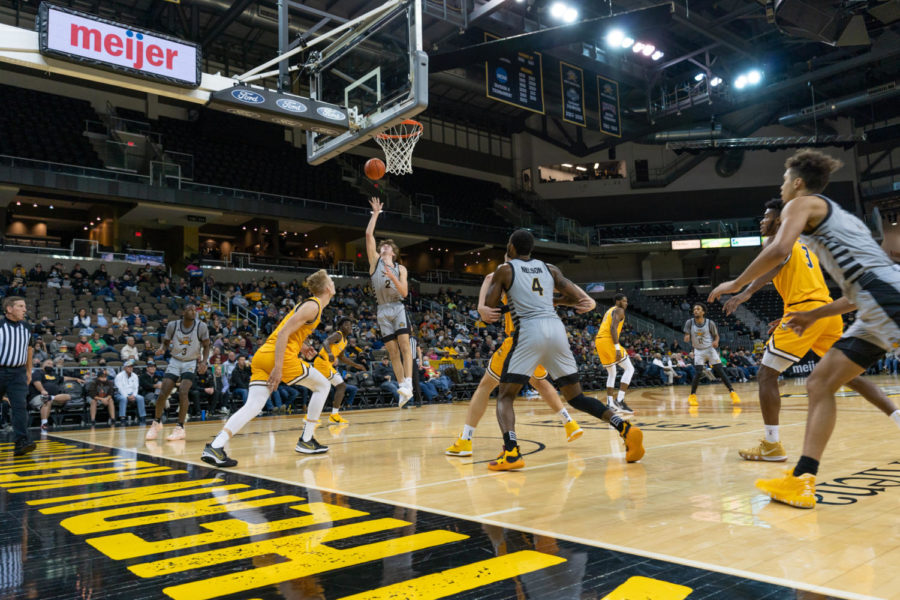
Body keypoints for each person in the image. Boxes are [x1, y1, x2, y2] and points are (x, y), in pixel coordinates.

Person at [709, 149, 900, 508]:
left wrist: (737, 284)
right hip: (872, 303)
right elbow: (859, 292)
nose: (782, 188)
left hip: (883, 298)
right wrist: (814, 316)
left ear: (797, 182)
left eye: (784, 180)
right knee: (821, 381)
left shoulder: (800, 204)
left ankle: (782, 456)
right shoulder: (829, 221)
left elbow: (779, 251)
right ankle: (803, 480)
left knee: (800, 379)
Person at [722, 198, 900, 462]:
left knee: (766, 375)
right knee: (849, 376)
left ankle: (772, 446)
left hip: (806, 311)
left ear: (780, 220)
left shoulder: (775, 241)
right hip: (826, 313)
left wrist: (743, 292)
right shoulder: (802, 243)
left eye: (766, 216)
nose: (762, 221)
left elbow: (775, 266)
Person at [482, 230, 644, 470]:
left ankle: (512, 453)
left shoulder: (505, 270)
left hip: (528, 330)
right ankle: (624, 428)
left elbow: (489, 308)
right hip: (556, 331)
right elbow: (578, 299)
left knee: (505, 396)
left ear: (512, 248)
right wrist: (550, 301)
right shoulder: (550, 269)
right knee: (576, 397)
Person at [202, 270, 337, 467]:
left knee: (253, 406)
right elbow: (282, 333)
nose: (334, 284)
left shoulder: (310, 306)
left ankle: (215, 446)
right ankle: (306, 440)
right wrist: (278, 367)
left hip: (262, 356)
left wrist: (302, 346)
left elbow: (289, 333)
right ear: (327, 288)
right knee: (323, 386)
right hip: (277, 357)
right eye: (332, 281)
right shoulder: (313, 306)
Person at [445, 269, 583, 457]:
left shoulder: (509, 272)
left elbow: (487, 277)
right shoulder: (539, 275)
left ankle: (466, 440)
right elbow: (566, 290)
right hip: (544, 337)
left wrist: (480, 306)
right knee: (539, 382)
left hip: (519, 339)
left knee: (486, 386)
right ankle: (569, 422)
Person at [366, 197, 414, 407]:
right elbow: (368, 235)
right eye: (381, 245)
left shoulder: (400, 268)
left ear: (393, 252)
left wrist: (392, 276)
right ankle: (402, 386)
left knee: (404, 346)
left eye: (386, 246)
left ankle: (409, 383)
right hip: (382, 309)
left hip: (397, 307)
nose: (383, 246)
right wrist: (376, 214)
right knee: (392, 351)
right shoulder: (374, 263)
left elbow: (403, 293)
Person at [145, 304, 210, 442]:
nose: (192, 311)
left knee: (183, 391)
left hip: (191, 362)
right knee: (163, 392)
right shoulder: (173, 325)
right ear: (183, 312)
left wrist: (204, 362)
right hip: (175, 361)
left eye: (194, 310)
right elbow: (166, 342)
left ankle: (180, 428)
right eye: (189, 309)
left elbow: (206, 346)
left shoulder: (201, 326)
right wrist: (162, 349)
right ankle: (156, 423)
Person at [683, 303, 740, 406]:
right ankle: (692, 396)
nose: (695, 310)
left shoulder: (710, 323)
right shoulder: (689, 323)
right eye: (694, 309)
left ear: (703, 312)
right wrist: (687, 337)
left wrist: (716, 341)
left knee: (720, 371)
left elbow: (716, 336)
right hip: (698, 350)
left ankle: (732, 392)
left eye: (698, 309)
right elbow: (686, 335)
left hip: (709, 349)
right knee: (698, 372)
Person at [0, 297, 35, 455]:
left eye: (25, 306)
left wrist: (29, 371)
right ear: (9, 309)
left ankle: (21, 441)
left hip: (18, 373)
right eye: (20, 306)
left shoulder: (27, 327)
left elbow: (29, 349)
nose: (24, 309)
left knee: (20, 406)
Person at [312, 318, 363, 425]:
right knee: (341, 386)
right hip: (322, 362)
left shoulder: (345, 340)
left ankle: (311, 416)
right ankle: (333, 415)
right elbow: (325, 342)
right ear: (340, 326)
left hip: (326, 364)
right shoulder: (338, 334)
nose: (349, 327)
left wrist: (355, 364)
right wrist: (330, 353)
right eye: (346, 325)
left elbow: (342, 357)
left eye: (350, 325)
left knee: (321, 389)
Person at [594, 293, 635, 414]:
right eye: (624, 301)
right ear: (618, 301)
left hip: (599, 341)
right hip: (608, 341)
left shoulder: (609, 310)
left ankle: (610, 403)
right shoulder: (619, 310)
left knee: (612, 373)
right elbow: (613, 328)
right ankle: (620, 400)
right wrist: (617, 348)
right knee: (629, 369)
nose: (626, 303)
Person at [114, 359, 145, 424]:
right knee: (123, 398)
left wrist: (134, 395)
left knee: (141, 398)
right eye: (128, 366)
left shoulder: (135, 375)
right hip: (120, 394)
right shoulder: (119, 376)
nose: (130, 368)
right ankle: (122, 417)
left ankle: (142, 416)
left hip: (132, 394)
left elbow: (136, 388)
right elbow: (120, 388)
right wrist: (127, 396)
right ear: (124, 367)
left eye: (131, 367)